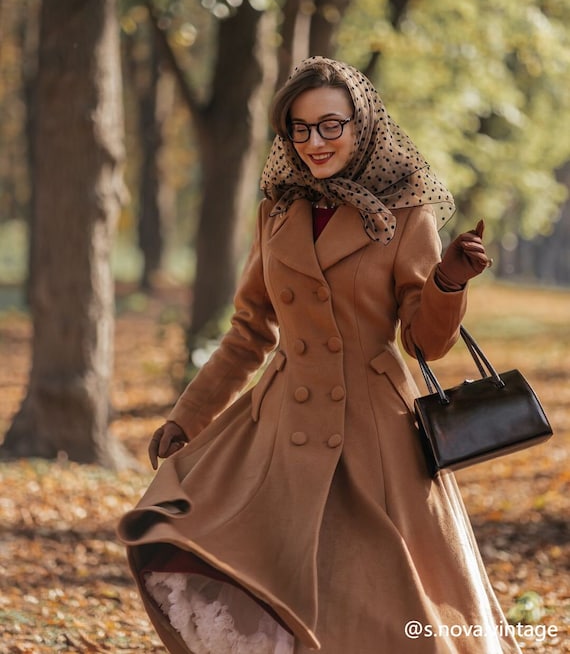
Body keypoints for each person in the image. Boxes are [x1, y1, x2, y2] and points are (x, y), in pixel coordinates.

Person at [118, 57, 520, 653]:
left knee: (385, 605)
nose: (315, 142)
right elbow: (249, 330)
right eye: (300, 129)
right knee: (253, 566)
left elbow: (423, 341)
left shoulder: (407, 213)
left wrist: (448, 283)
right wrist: (188, 416)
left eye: (331, 125)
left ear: (363, 125)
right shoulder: (277, 212)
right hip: (280, 428)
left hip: (375, 436)